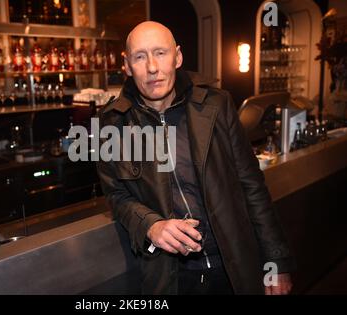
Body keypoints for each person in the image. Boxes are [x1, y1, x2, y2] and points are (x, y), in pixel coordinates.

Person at [96, 21, 295, 295]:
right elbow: (116, 196)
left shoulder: (217, 104)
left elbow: (252, 185)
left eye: (161, 53)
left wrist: (276, 261)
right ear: (127, 66)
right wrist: (150, 224)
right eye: (140, 57)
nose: (152, 67)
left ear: (177, 57)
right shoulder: (111, 123)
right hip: (173, 277)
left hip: (234, 266)